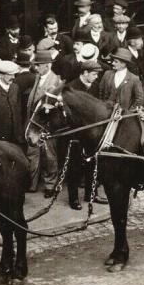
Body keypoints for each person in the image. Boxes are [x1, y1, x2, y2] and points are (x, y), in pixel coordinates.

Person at [63, 60, 103, 209]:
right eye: (94, 74)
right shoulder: (71, 88)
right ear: (84, 73)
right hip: (76, 135)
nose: (96, 77)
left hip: (92, 135)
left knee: (92, 165)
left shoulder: (95, 87)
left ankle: (90, 194)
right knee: (74, 167)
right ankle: (73, 198)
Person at [26, 50, 64, 192]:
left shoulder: (56, 82)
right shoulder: (38, 77)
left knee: (49, 156)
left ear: (47, 66)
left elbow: (54, 106)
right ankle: (32, 184)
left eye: (38, 65)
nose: (36, 68)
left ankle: (50, 185)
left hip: (48, 125)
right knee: (33, 153)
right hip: (35, 123)